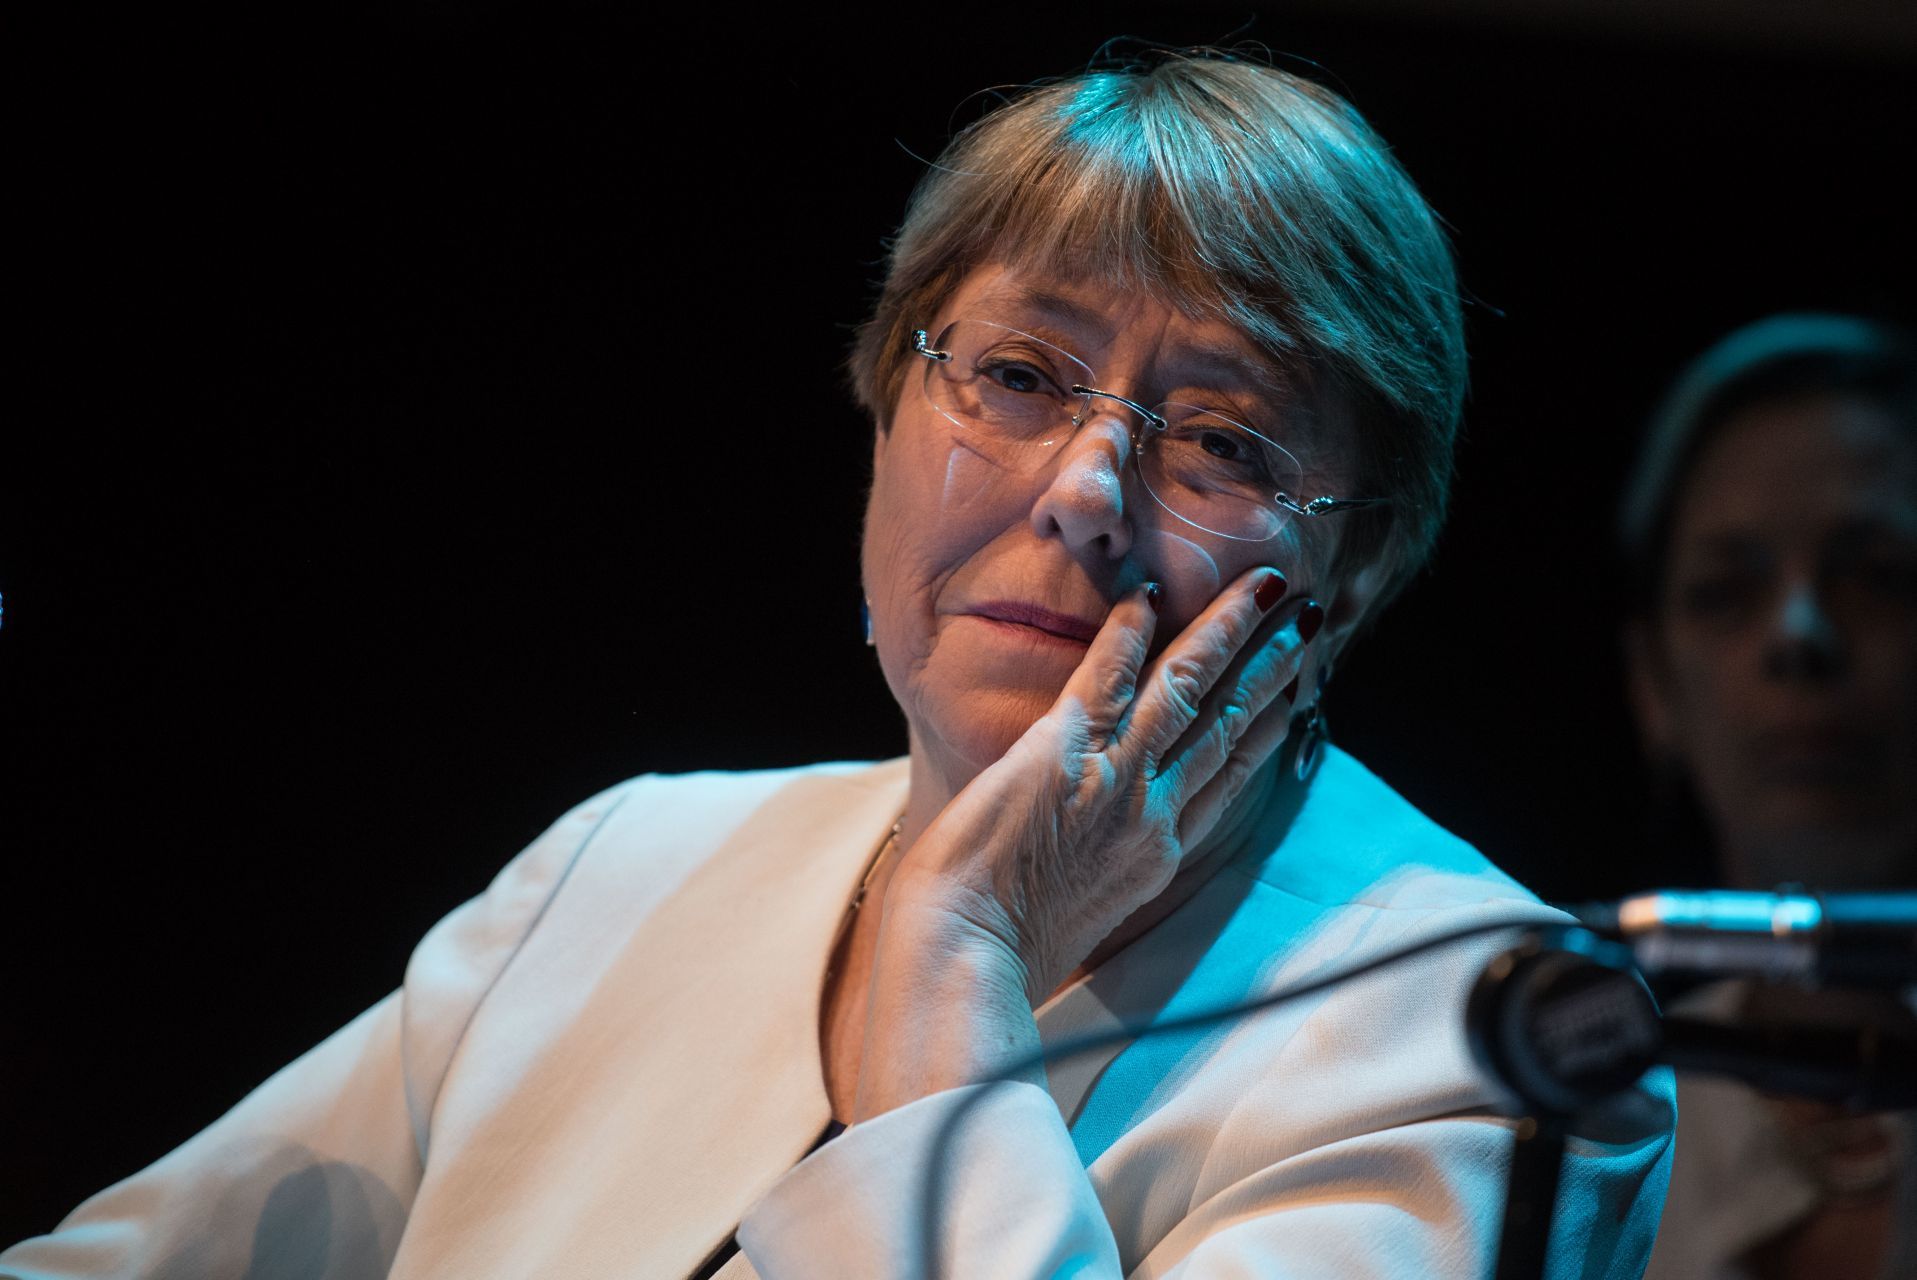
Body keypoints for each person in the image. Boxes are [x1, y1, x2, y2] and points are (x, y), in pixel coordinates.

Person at [3, 52, 1674, 1279]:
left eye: (1219, 441)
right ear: (887, 402)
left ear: (1359, 560)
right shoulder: (626, 863)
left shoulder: (1490, 1028)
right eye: (1016, 375)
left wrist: (955, 952)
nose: (1081, 495)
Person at [1620, 314, 1917, 1280]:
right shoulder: (1594, 1134)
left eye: (1879, 577)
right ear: (1654, 687)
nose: (1797, 635)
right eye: (1725, 591)